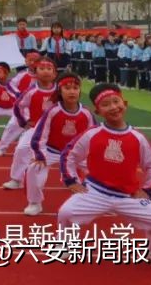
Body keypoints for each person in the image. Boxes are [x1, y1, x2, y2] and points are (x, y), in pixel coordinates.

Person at [58, 83, 151, 269]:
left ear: (124, 104)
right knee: (66, 213)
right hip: (95, 191)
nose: (113, 107)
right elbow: (69, 155)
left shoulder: (138, 137)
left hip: (128, 195)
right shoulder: (91, 134)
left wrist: (149, 191)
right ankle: (67, 243)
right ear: (98, 111)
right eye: (106, 104)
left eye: (116, 102)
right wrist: (71, 180)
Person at [20, 72, 95, 216]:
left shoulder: (86, 113)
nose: (72, 91)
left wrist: (91, 156)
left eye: (75, 88)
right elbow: (40, 134)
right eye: (67, 88)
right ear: (60, 91)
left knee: (100, 171)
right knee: (33, 168)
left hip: (74, 153)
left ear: (80, 90)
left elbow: (92, 136)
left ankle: (99, 200)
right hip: (51, 150)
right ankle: (34, 202)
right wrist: (40, 154)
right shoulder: (53, 111)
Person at [2, 57, 59, 190]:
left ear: (55, 73)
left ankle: (82, 180)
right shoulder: (30, 91)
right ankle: (16, 179)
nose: (45, 71)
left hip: (58, 130)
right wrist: (23, 122)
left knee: (75, 153)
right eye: (42, 68)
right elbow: (18, 106)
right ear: (35, 72)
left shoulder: (61, 91)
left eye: (49, 69)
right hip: (37, 129)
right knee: (21, 149)